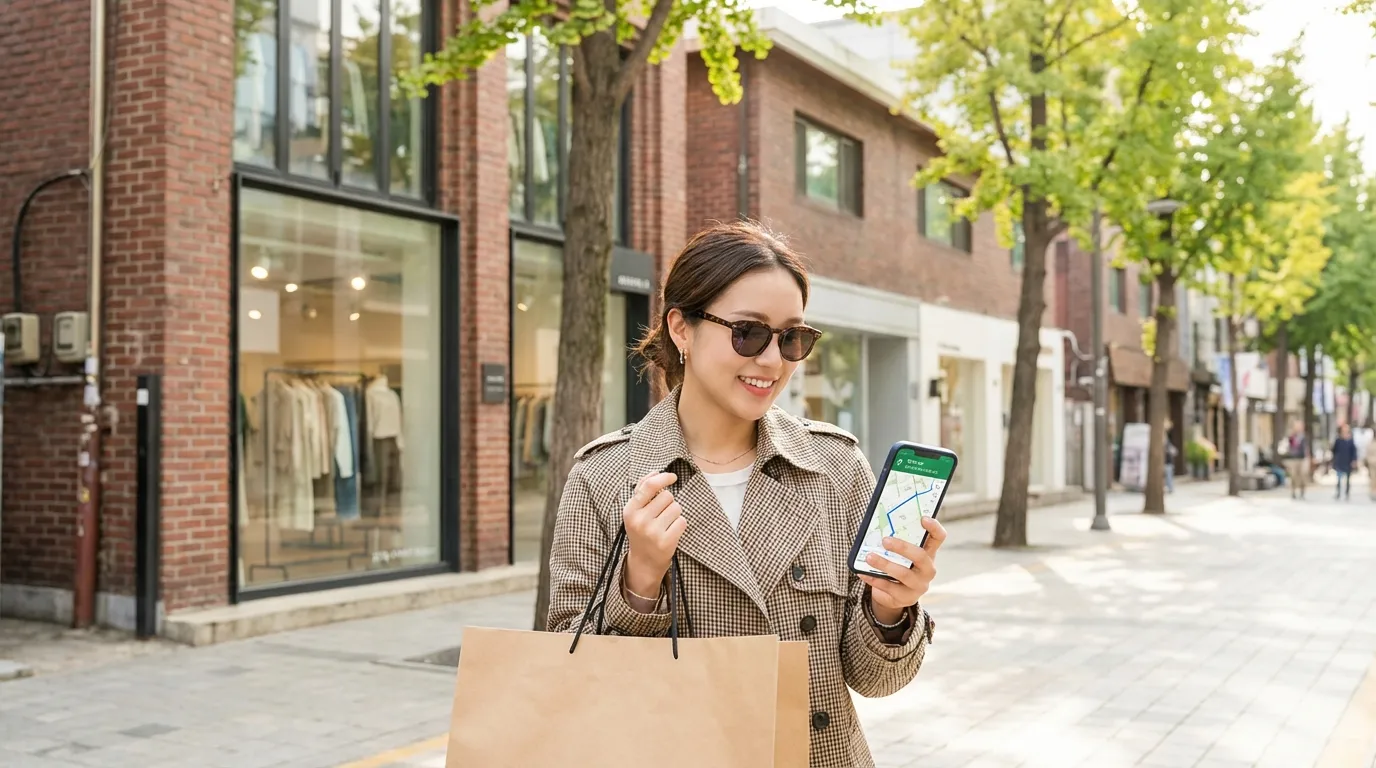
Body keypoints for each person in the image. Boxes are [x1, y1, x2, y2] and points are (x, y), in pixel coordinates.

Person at [545, 222, 943, 768]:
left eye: (792, 338)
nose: (773, 361)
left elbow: (876, 680)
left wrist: (891, 608)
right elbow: (575, 678)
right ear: (681, 329)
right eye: (748, 333)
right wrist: (640, 582)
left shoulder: (833, 466)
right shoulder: (605, 476)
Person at [1283, 420, 1309, 500]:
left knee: (1303, 476)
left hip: (1302, 459)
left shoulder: (1304, 436)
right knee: (1293, 476)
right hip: (1293, 459)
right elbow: (1287, 446)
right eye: (1297, 426)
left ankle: (1302, 492)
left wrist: (1308, 458)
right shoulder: (1291, 436)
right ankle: (1293, 492)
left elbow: (1306, 448)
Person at [1332, 424, 1357, 501]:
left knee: (1348, 479)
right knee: (1339, 478)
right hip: (1340, 461)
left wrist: (1354, 460)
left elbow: (1354, 451)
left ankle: (1347, 493)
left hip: (1348, 461)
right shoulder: (1338, 440)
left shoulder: (1350, 440)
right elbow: (1334, 450)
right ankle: (1338, 493)